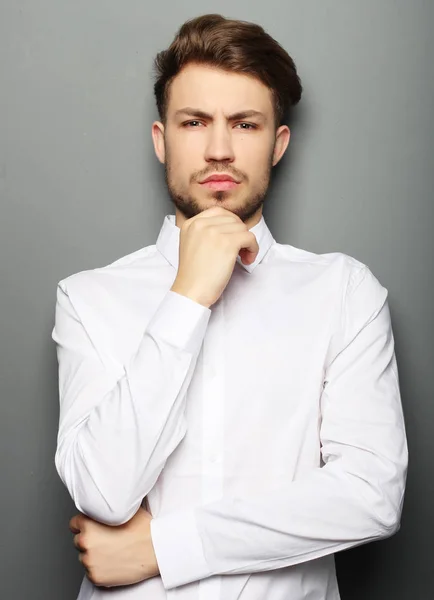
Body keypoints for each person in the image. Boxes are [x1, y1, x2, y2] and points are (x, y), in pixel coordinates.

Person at [51, 13, 408, 600]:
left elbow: (370, 496)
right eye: (195, 122)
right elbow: (102, 491)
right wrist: (187, 294)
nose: (219, 149)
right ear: (162, 140)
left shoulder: (343, 291)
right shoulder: (89, 297)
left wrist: (162, 548)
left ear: (278, 143)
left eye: (245, 124)